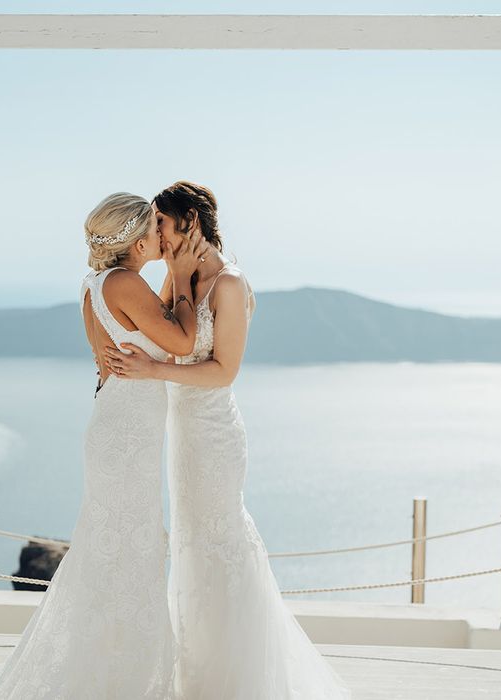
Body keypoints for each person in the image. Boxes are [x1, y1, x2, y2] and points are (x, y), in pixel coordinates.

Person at [104, 181, 352, 699]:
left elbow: (224, 372)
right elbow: (168, 336)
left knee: (220, 545)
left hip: (214, 438)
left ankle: (239, 681)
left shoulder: (229, 284)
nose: (158, 238)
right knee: (193, 550)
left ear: (189, 221)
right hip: (183, 436)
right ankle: (199, 679)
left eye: (162, 227)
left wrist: (152, 373)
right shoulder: (182, 276)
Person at [0, 192, 208, 699]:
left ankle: (106, 669)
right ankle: (123, 677)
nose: (162, 238)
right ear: (138, 238)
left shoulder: (98, 283)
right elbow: (184, 342)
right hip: (126, 435)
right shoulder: (125, 283)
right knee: (131, 551)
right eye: (155, 230)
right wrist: (187, 276)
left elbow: (149, 328)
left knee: (118, 553)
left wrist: (170, 282)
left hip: (117, 425)